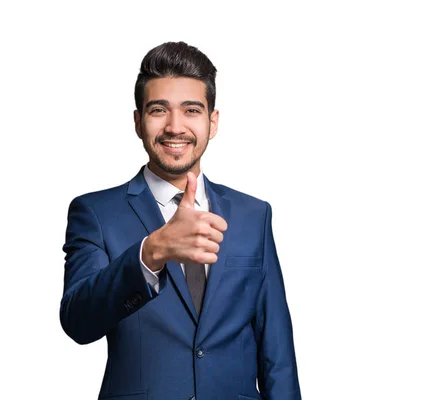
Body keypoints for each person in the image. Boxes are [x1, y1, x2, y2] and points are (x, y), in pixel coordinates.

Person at [60, 41, 301, 400]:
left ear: (212, 121)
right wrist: (151, 252)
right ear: (138, 121)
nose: (175, 127)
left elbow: (277, 352)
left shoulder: (254, 215)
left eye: (191, 110)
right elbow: (78, 321)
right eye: (159, 110)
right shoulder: (95, 213)